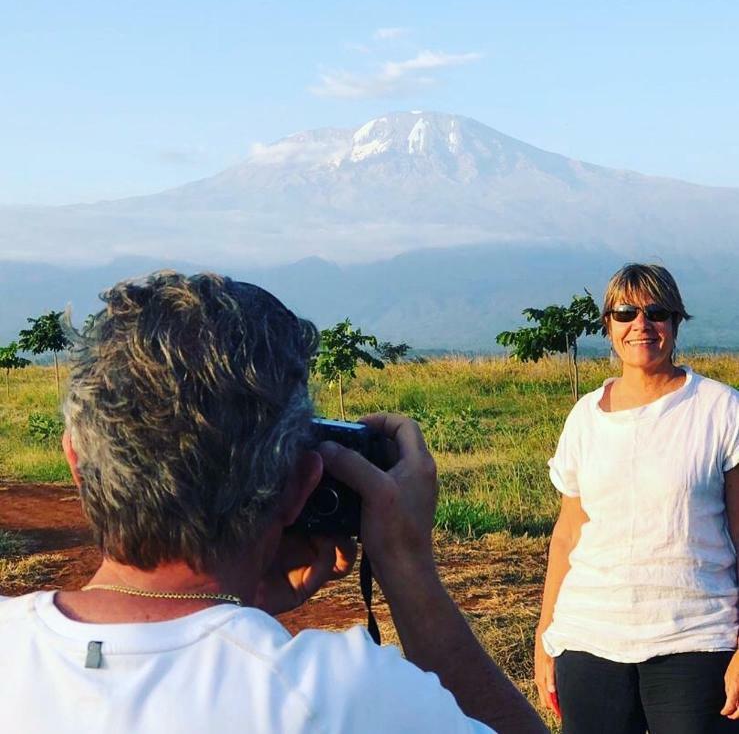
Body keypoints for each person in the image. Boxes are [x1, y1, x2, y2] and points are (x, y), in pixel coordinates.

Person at [0, 270, 545, 734]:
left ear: (76, 459)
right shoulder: (343, 699)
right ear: (300, 485)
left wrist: (239, 605)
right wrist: (408, 569)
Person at [534, 263, 739, 733]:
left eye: (657, 312)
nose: (640, 325)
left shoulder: (720, 410)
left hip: (695, 636)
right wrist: (546, 636)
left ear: (676, 322)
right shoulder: (585, 416)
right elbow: (567, 535)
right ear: (608, 324)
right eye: (625, 312)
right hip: (589, 638)